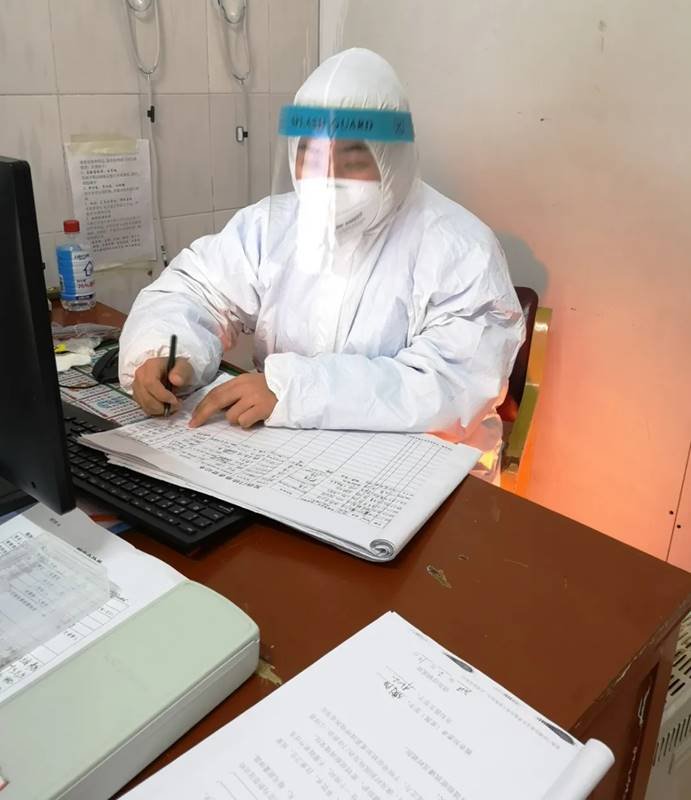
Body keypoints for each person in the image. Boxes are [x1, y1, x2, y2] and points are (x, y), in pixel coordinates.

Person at [119, 48, 525, 483]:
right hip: (289, 460)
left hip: (423, 478)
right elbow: (195, 289)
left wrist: (294, 390)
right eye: (311, 155)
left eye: (353, 158)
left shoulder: (461, 247)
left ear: (391, 156)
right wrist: (165, 351)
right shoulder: (272, 225)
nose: (329, 176)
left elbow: (450, 383)